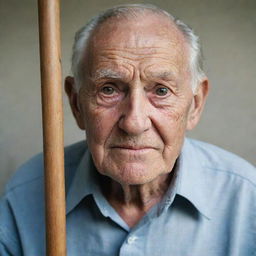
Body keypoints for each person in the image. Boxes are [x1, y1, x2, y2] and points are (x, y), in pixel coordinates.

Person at [0, 4, 255, 256]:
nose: (134, 123)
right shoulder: (24, 197)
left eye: (161, 90)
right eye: (109, 89)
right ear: (77, 104)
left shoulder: (247, 200)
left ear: (195, 104)